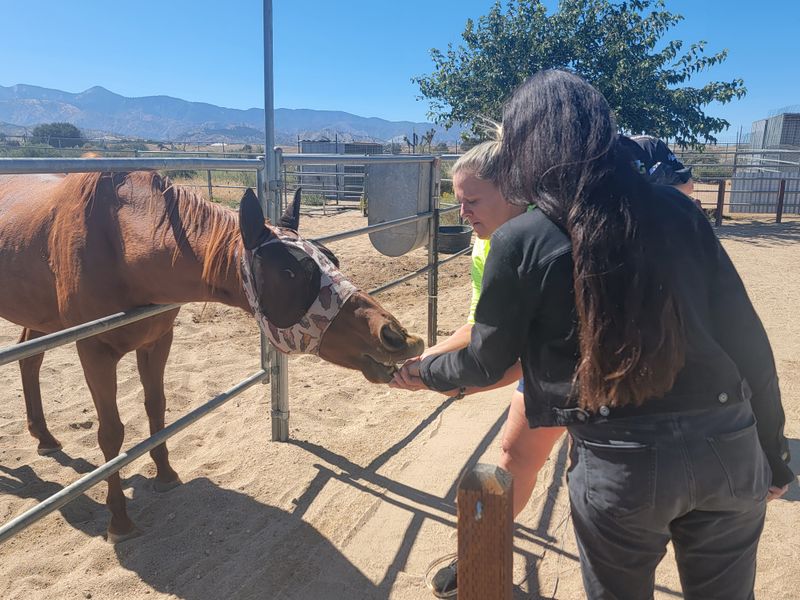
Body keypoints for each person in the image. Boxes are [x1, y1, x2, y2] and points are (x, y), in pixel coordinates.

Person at [392, 70, 793, 599]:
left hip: (622, 463)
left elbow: (488, 362)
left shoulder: (522, 242)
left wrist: (423, 372)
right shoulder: (677, 210)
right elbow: (747, 338)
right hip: (728, 443)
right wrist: (774, 450)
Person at [395, 138, 565, 598]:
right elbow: (480, 326)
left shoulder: (541, 241)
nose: (462, 212)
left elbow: (505, 362)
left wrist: (440, 380)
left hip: (576, 365)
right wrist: (428, 356)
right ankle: (480, 557)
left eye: (472, 200)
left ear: (514, 191)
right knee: (514, 456)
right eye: (457, 200)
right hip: (547, 364)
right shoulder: (485, 243)